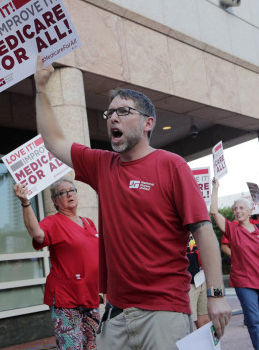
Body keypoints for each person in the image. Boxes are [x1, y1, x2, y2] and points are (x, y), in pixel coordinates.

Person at [33, 56, 231, 349]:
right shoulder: (102, 165)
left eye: (124, 111)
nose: (113, 117)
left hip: (164, 312)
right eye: (110, 113)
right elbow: (52, 141)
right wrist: (40, 89)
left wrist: (215, 295)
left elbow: (203, 231)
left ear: (148, 123)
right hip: (115, 316)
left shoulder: (171, 165)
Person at [14, 179, 99, 349]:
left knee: (92, 346)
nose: (69, 194)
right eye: (62, 192)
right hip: (66, 298)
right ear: (54, 200)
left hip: (90, 296)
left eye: (72, 190)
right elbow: (37, 234)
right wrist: (25, 203)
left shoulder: (89, 222)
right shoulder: (53, 222)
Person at [211, 177, 259, 350]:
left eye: (241, 208)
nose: (237, 211)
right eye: (235, 209)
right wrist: (216, 188)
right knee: (254, 320)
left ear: (249, 211)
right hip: (244, 281)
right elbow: (214, 212)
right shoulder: (232, 229)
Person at [186, 235, 210, 329]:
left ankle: (211, 344)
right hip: (185, 283)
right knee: (187, 323)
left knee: (206, 319)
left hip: (202, 278)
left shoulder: (198, 225)